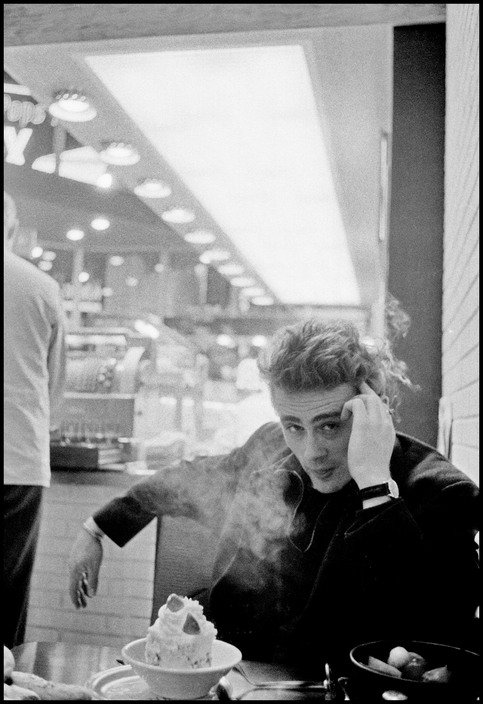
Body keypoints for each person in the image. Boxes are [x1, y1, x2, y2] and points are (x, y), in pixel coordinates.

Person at [68, 318, 479, 670]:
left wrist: (374, 485)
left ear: (377, 409)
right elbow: (195, 477)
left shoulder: (440, 494)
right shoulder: (271, 449)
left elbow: (432, 642)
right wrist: (97, 528)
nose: (311, 451)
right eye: (294, 425)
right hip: (229, 667)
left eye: (331, 425)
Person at [4, 192, 66, 648]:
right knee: (6, 596)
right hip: (18, 459)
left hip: (21, 455)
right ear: (11, 230)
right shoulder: (41, 287)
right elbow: (55, 383)